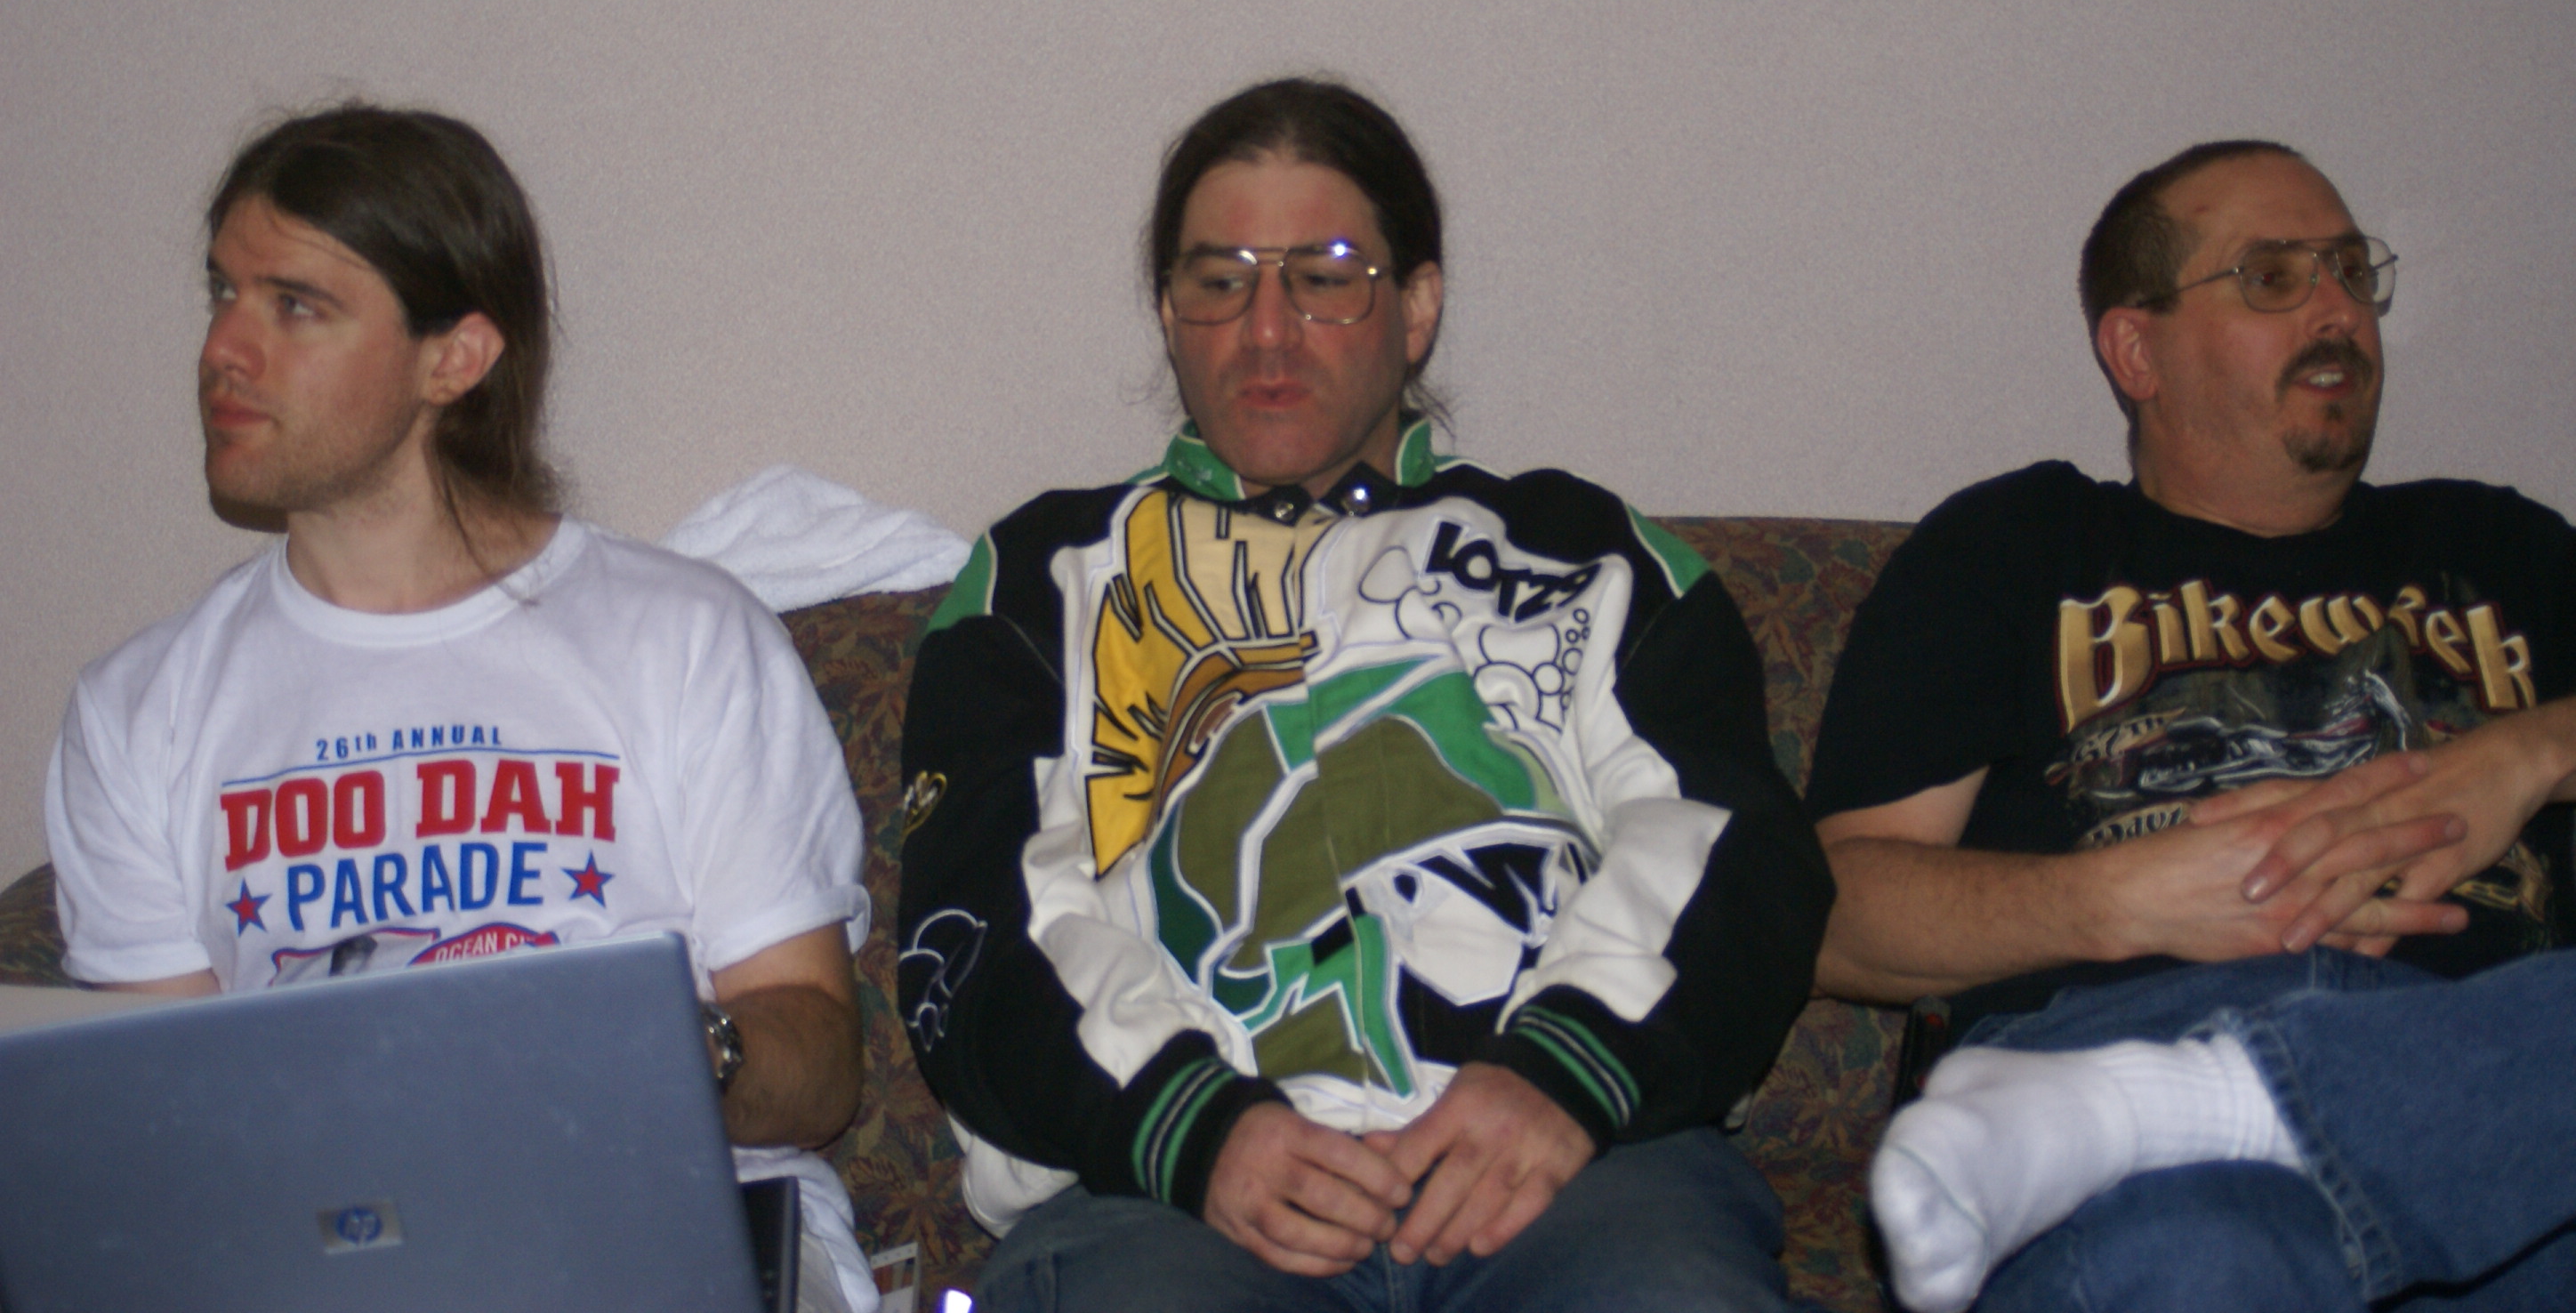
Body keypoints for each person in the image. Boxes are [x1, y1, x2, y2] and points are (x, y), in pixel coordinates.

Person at [896, 77, 1831, 1312]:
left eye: (1325, 276)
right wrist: (1193, 1128)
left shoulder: (1593, 557)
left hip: (1573, 1173)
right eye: (1219, 280)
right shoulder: (1039, 582)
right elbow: (979, 925)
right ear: (1169, 314)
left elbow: (1734, 851)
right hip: (1165, 1199)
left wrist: (1563, 1074)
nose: (1267, 331)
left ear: (1418, 305)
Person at [44, 105, 879, 1313]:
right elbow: (168, 1142)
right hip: (338, 1259)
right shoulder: (139, 711)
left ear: (456, 359)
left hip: (660, 1220)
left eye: (295, 305)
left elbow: (820, 1069)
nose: (225, 349)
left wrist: (656, 1053)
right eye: (223, 292)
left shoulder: (685, 639)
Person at [1804, 140, 2576, 1311]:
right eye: (2273, 277)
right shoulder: (2018, 547)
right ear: (2136, 350)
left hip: (2507, 1135)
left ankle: (2231, 1101)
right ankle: (2161, 1104)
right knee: (2193, 1259)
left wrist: (2530, 752)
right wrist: (2117, 900)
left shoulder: (2499, 545)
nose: (2337, 310)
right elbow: (1832, 914)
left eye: (2350, 270)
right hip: (2132, 1072)